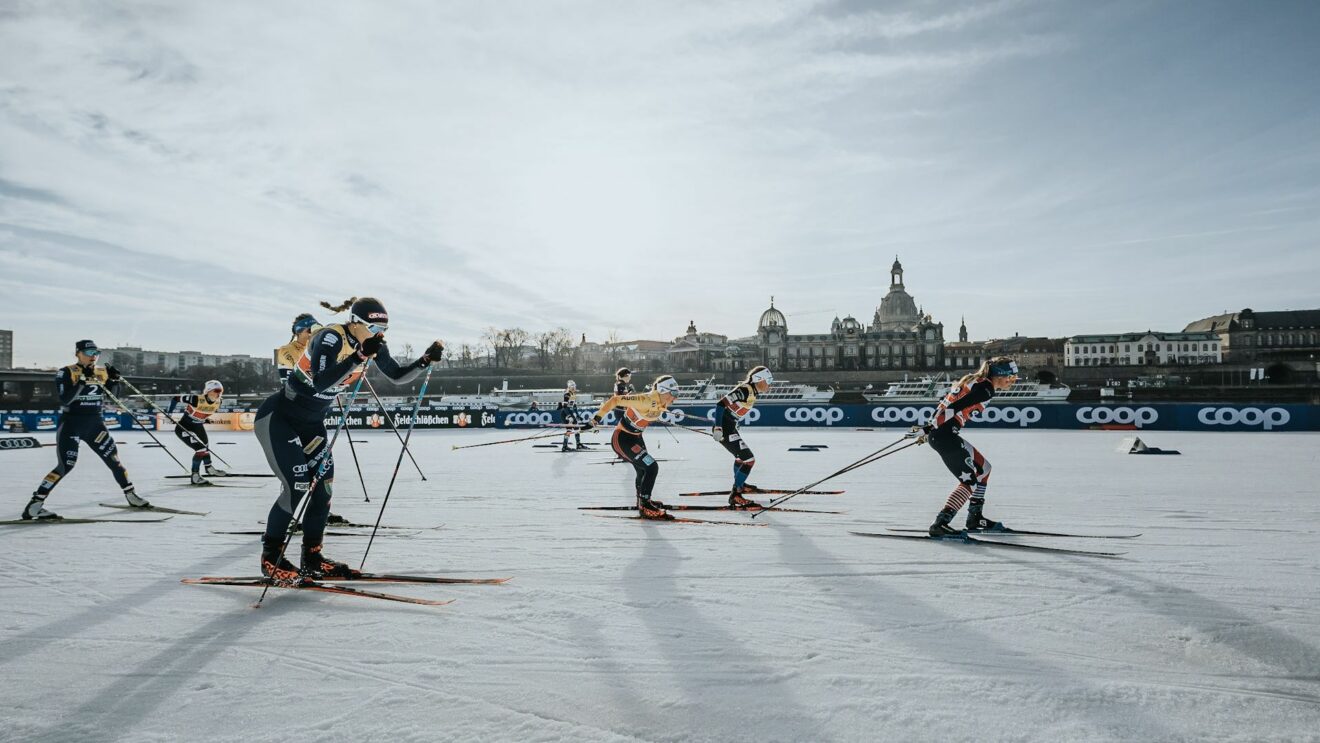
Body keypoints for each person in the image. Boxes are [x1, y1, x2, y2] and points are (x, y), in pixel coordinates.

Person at [255, 297, 443, 583]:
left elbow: (396, 376)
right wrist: (358, 357)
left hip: (312, 425)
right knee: (297, 485)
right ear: (354, 323)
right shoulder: (329, 337)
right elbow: (320, 381)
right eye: (373, 326)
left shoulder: (372, 343)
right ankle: (271, 559)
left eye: (384, 327)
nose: (379, 333)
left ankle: (313, 557)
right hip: (279, 418)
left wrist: (424, 361)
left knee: (324, 489)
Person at [23, 340, 149, 519]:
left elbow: (114, 397)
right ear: (78, 354)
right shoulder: (66, 372)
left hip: (95, 425)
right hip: (72, 424)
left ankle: (131, 495)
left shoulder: (100, 372)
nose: (93, 356)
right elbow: (66, 399)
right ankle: (34, 505)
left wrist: (114, 380)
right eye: (89, 352)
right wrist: (82, 380)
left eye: (96, 352)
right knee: (66, 465)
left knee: (114, 460)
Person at [921, 357, 1019, 536]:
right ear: (998, 375)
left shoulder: (977, 381)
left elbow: (946, 405)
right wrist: (931, 427)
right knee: (969, 481)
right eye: (1009, 377)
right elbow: (954, 407)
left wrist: (930, 427)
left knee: (984, 469)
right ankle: (940, 524)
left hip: (944, 433)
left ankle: (975, 518)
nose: (1011, 381)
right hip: (945, 435)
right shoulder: (985, 389)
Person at [580, 375, 681, 520]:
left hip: (636, 438)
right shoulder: (644, 400)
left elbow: (653, 411)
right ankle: (645, 506)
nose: (675, 398)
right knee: (652, 467)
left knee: (642, 471)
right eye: (674, 394)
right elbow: (615, 400)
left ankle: (643, 502)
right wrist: (595, 419)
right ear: (663, 391)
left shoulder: (660, 402)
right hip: (622, 439)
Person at [712, 365, 773, 508]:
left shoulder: (752, 391)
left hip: (730, 426)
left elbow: (732, 410)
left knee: (740, 458)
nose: (769, 384)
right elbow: (720, 404)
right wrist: (719, 427)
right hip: (724, 429)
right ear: (759, 380)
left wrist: (732, 422)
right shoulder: (745, 390)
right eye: (768, 380)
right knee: (749, 459)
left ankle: (740, 485)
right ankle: (736, 494)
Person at [168, 380, 225, 485]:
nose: (219, 393)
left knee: (206, 446)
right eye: (216, 390)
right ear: (208, 391)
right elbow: (175, 398)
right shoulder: (195, 399)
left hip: (198, 427)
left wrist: (205, 419)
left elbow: (203, 413)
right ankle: (195, 476)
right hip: (184, 428)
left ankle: (209, 468)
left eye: (221, 391)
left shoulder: (219, 402)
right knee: (200, 449)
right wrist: (169, 413)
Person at [275, 313, 320, 382]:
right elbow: (301, 368)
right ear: (299, 332)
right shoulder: (285, 350)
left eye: (316, 329)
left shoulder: (314, 348)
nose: (314, 333)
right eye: (310, 330)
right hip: (291, 392)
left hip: (311, 391)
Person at [558, 380, 584, 451]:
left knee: (576, 428)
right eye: (572, 387)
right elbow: (565, 407)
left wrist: (578, 415)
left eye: (574, 387)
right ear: (569, 387)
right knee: (569, 429)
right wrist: (569, 416)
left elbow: (574, 407)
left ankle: (578, 444)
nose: (573, 388)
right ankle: (565, 446)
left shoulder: (574, 395)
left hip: (570, 412)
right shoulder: (567, 394)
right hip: (565, 413)